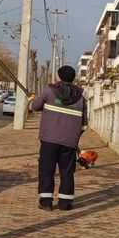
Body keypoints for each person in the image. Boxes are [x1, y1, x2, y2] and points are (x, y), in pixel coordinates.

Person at [30, 65, 88, 211]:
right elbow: (84, 125)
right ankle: (65, 202)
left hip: (49, 139)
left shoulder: (49, 91)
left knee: (46, 170)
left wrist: (33, 99)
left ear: (59, 77)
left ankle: (46, 202)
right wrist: (74, 137)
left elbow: (35, 107)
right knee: (67, 172)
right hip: (69, 142)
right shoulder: (81, 99)